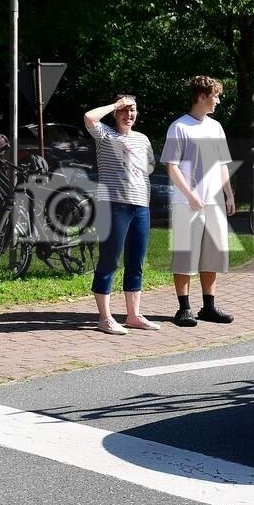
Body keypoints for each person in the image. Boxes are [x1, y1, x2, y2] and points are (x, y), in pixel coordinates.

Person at [161, 76, 236, 327]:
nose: (218, 100)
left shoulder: (216, 127)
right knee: (185, 255)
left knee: (211, 256)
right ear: (202, 96)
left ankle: (209, 307)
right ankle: (184, 308)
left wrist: (228, 193)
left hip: (213, 203)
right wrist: (191, 195)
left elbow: (222, 164)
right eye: (215, 95)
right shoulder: (179, 127)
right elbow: (171, 167)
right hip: (186, 202)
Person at [83, 94, 160, 335]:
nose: (129, 114)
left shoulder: (142, 139)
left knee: (136, 262)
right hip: (113, 205)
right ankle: (105, 318)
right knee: (109, 261)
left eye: (133, 109)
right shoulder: (105, 134)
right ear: (116, 113)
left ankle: (133, 315)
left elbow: (149, 166)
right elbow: (88, 117)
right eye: (124, 110)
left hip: (140, 206)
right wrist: (115, 104)